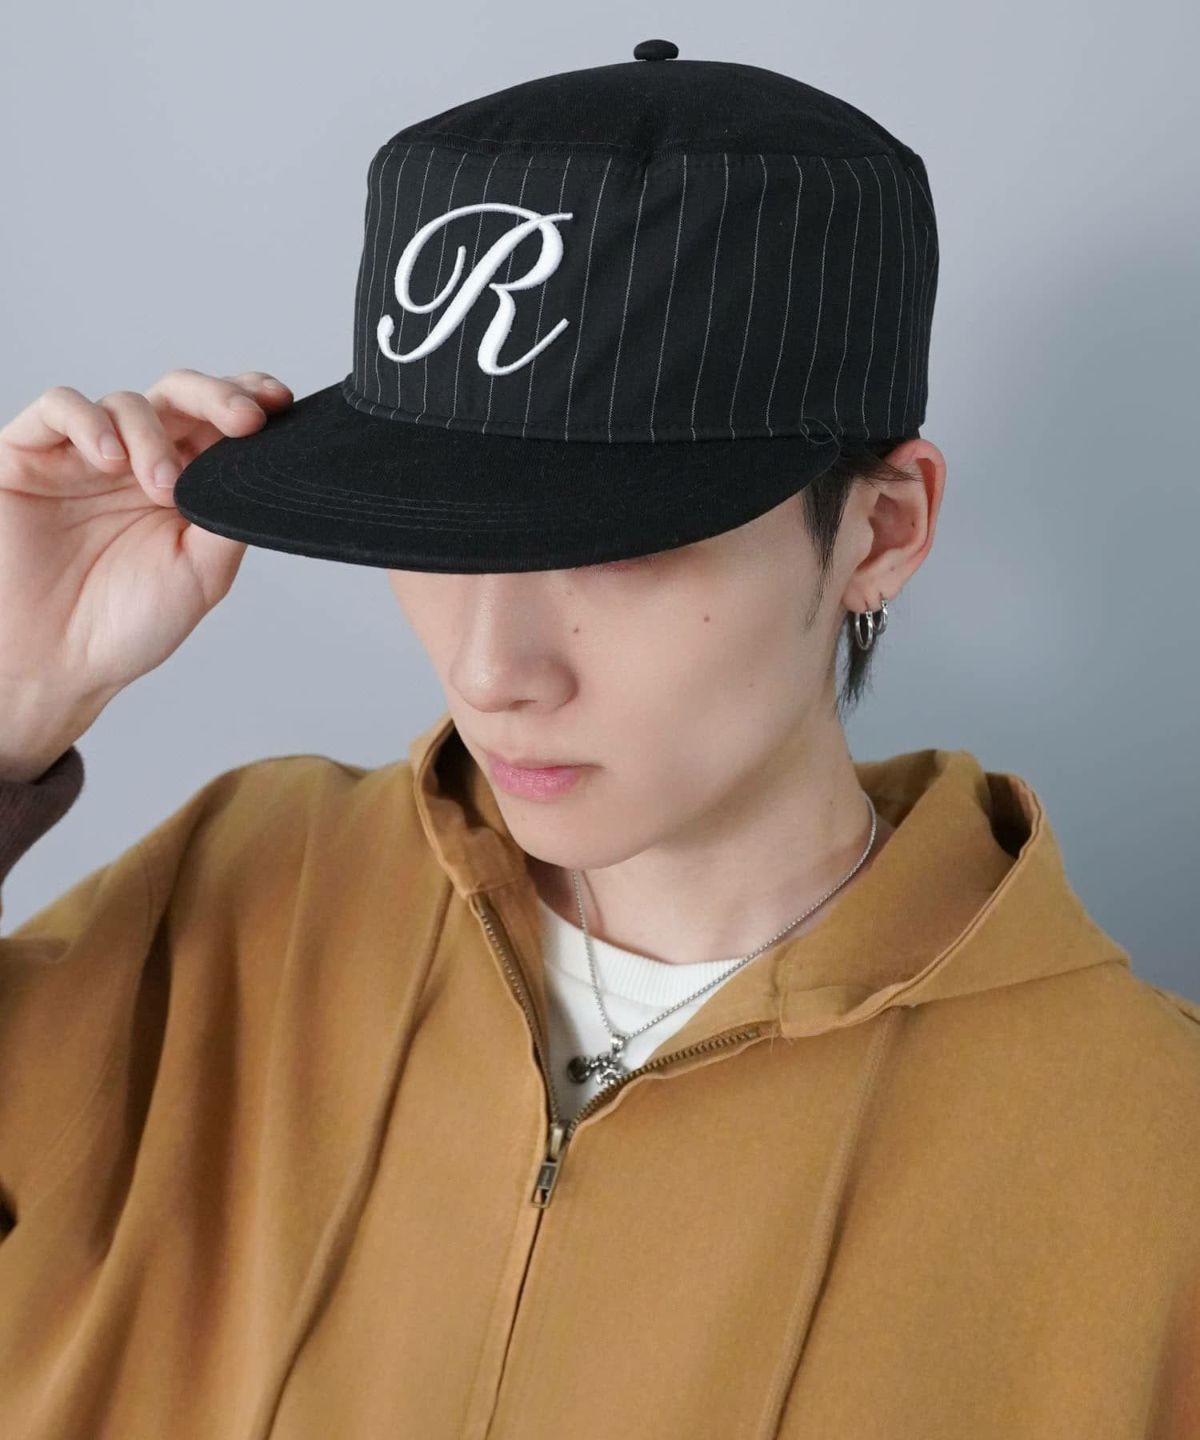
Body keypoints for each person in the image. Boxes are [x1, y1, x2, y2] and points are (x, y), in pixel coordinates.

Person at [2, 40, 1198, 1440]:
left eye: (616, 550)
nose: (491, 671)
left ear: (882, 529)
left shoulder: (1151, 1155)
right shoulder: (246, 886)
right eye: (439, 537)